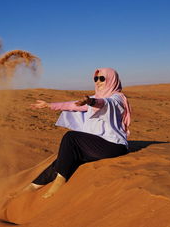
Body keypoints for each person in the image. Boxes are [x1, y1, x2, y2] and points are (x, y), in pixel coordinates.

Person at [23, 67, 132, 198]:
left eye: (102, 79)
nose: (98, 81)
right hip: (98, 145)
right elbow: (72, 105)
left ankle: (60, 181)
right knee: (64, 160)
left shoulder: (117, 98)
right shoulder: (96, 97)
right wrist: (49, 105)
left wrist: (91, 102)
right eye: (96, 79)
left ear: (111, 80)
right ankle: (32, 187)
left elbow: (105, 104)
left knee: (71, 137)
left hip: (113, 146)